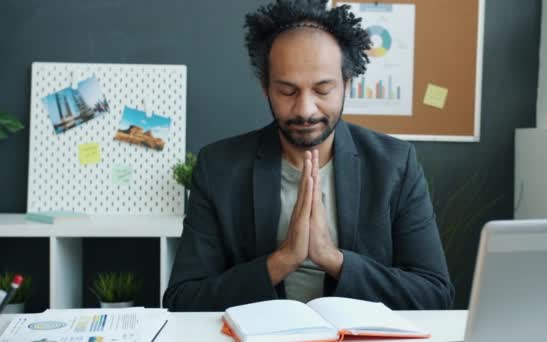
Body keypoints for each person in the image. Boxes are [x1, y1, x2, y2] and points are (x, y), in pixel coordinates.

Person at [163, 0, 454, 312]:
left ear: (347, 84)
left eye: (323, 90)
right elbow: (184, 298)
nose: (305, 109)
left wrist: (333, 259)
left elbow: (435, 294)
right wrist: (283, 260)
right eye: (287, 91)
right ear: (265, 88)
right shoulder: (219, 168)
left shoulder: (395, 165)